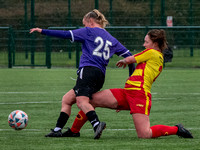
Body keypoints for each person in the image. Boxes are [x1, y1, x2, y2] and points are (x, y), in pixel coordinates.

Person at [63, 29, 193, 139]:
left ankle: (176, 129)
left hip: (139, 95)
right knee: (91, 100)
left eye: (146, 42)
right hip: (127, 92)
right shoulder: (153, 55)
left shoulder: (153, 52)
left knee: (144, 134)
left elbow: (132, 58)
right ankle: (74, 131)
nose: (144, 44)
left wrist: (124, 61)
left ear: (155, 43)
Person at [30, 9, 135, 139]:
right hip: (100, 76)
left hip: (88, 71)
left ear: (90, 21)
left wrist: (42, 31)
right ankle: (57, 130)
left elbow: (65, 34)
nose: (83, 26)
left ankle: (96, 124)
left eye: (84, 23)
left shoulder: (88, 31)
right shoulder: (111, 39)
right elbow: (131, 59)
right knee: (67, 99)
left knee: (81, 101)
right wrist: (131, 79)